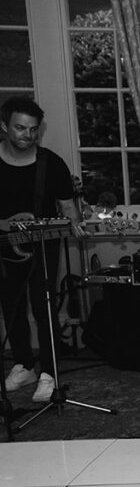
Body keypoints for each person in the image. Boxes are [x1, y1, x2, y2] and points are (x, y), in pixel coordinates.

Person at [1, 97, 86, 403]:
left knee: (43, 304)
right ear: (4, 126)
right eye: (20, 128)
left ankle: (49, 372)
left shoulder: (51, 164)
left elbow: (67, 208)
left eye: (33, 129)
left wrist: (77, 224)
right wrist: (5, 224)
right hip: (4, 247)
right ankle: (24, 364)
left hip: (42, 245)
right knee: (11, 306)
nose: (27, 135)